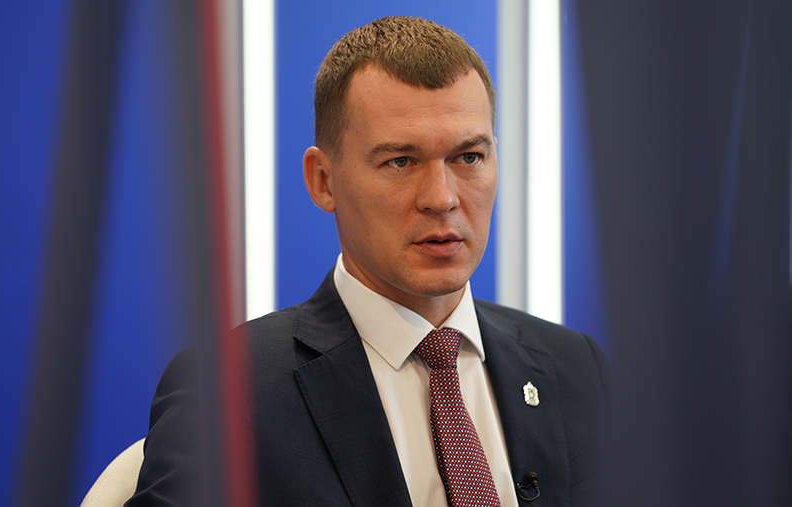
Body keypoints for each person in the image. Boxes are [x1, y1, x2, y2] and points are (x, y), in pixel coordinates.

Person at [127, 16, 609, 507]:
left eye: (468, 157)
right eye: (400, 161)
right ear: (323, 181)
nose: (442, 198)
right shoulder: (228, 389)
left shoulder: (574, 366)